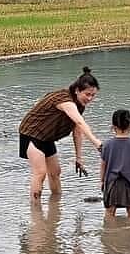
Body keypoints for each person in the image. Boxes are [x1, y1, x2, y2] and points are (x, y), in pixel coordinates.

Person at [18, 67, 104, 200]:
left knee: (55, 172)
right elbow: (80, 122)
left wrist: (79, 157)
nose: (90, 98)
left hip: (46, 137)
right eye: (87, 94)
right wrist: (97, 142)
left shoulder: (79, 105)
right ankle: (36, 212)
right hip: (31, 133)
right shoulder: (64, 100)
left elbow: (77, 130)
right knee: (40, 173)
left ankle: (56, 205)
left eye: (93, 95)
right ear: (77, 90)